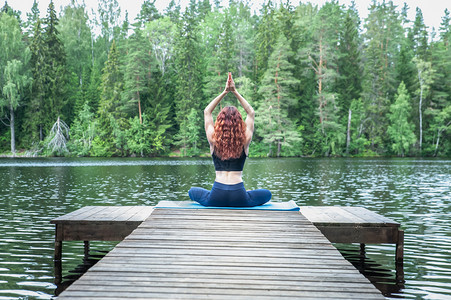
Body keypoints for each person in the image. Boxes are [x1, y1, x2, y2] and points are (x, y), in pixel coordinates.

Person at [188, 73, 272, 207]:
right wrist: (235, 91)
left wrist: (225, 92)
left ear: (219, 122)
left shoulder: (213, 139)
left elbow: (207, 111)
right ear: (239, 122)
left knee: (192, 191)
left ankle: (222, 195)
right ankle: (247, 194)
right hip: (239, 194)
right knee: (267, 194)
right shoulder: (245, 139)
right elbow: (251, 112)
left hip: (216, 195)